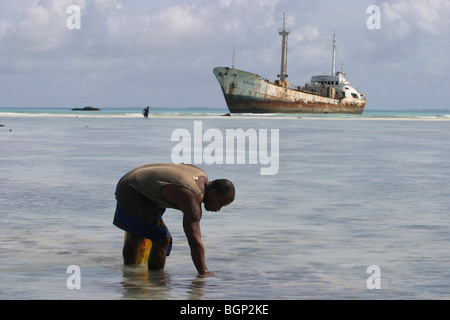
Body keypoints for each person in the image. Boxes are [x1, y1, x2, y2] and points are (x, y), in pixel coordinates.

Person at [113, 163, 235, 276]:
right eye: (220, 203)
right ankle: (156, 285)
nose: (218, 209)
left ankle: (129, 276)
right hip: (133, 192)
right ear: (213, 192)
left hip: (132, 182)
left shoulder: (200, 174)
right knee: (162, 240)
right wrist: (204, 273)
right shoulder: (192, 199)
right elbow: (194, 243)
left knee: (137, 234)